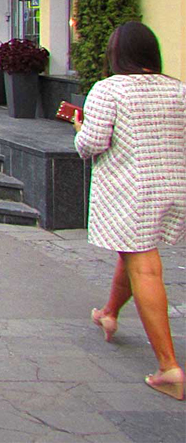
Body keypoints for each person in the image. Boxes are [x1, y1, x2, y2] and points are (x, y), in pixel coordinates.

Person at [74, 21, 186, 401]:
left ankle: (168, 367)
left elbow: (92, 144)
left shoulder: (109, 89)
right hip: (171, 188)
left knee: (145, 266)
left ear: (115, 54)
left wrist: (79, 128)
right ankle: (109, 313)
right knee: (134, 252)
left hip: (131, 191)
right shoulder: (178, 89)